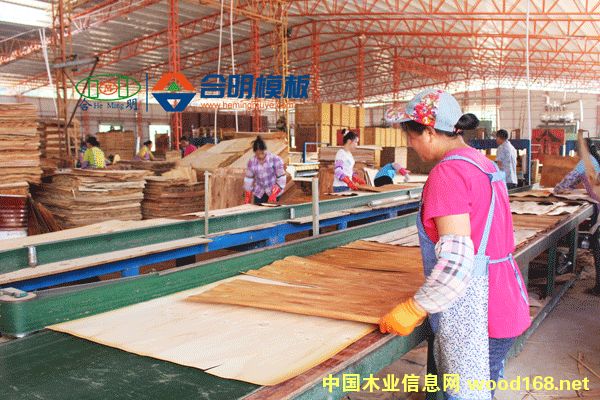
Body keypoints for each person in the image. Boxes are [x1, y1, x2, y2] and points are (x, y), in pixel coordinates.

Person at [378, 89, 530, 400]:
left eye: (411, 136)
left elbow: (457, 263)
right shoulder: (482, 163)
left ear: (430, 132)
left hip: (478, 314)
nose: (410, 144)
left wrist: (414, 307)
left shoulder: (448, 174)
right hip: (505, 298)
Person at [243, 136, 286, 204]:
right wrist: (247, 196)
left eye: (262, 153)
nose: (260, 156)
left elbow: (281, 177)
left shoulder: (275, 159)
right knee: (258, 209)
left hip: (273, 190)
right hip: (259, 192)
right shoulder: (252, 162)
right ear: (255, 152)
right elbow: (249, 179)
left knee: (272, 209)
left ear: (264, 150)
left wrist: (274, 193)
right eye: (258, 154)